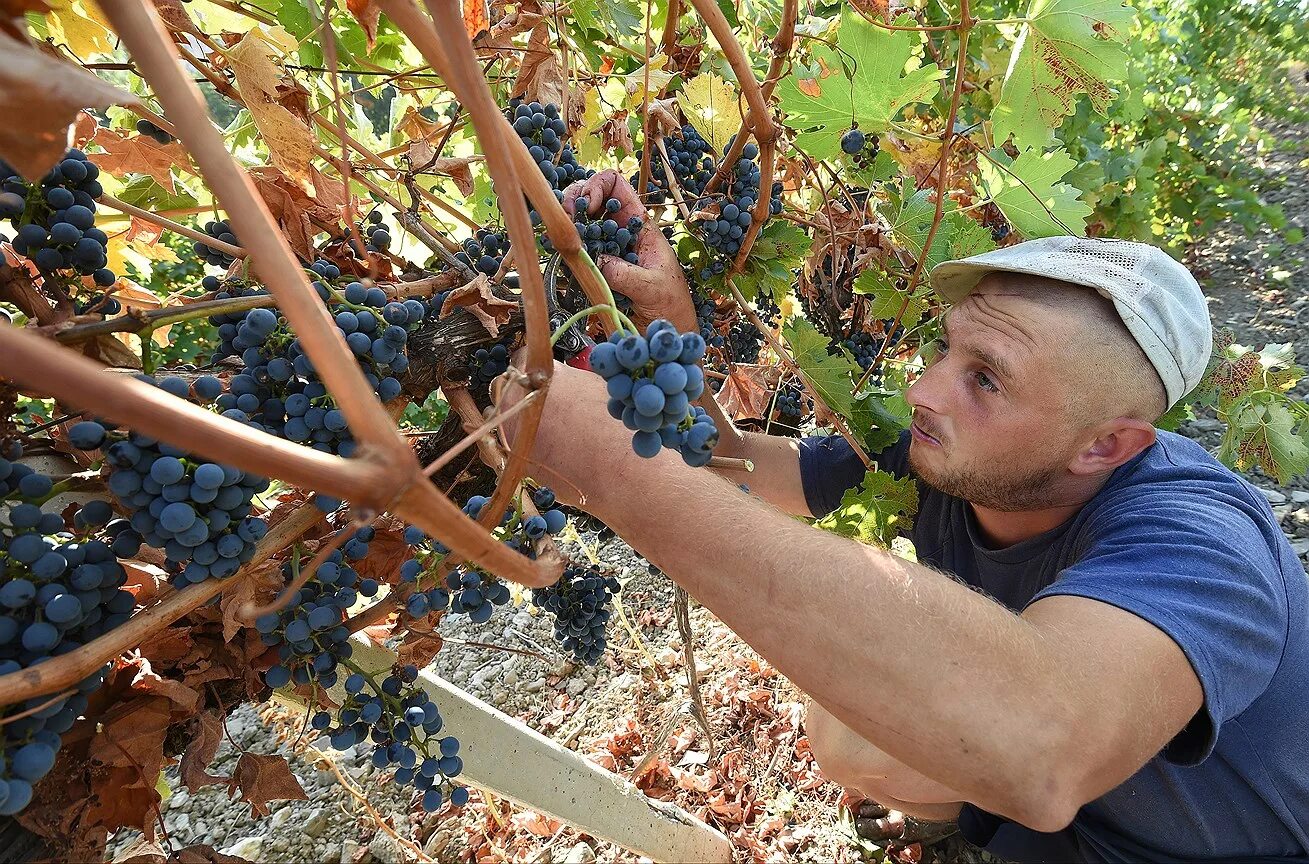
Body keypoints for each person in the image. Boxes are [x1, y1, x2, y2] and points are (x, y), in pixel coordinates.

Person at [504, 169, 1309, 862]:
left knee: (919, 732)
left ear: (1104, 446)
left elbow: (1043, 749)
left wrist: (616, 473)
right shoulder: (950, 455)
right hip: (1073, 829)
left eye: (985, 379)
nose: (925, 391)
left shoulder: (1202, 540)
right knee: (854, 734)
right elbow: (743, 471)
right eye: (948, 349)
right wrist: (667, 330)